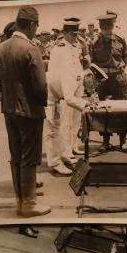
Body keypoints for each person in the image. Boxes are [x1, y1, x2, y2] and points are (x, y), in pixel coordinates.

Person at [0, 6, 50, 218]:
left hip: (8, 110)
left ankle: (20, 199)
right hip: (29, 112)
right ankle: (29, 204)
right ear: (32, 25)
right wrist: (43, 103)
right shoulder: (30, 48)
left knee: (16, 156)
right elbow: (40, 86)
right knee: (29, 157)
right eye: (36, 26)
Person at [45, 18, 88, 175]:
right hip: (55, 92)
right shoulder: (59, 49)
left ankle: (66, 152)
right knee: (54, 128)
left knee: (71, 122)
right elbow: (55, 74)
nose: (75, 37)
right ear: (64, 33)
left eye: (76, 33)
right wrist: (84, 104)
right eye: (71, 34)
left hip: (69, 88)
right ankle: (55, 162)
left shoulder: (76, 46)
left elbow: (76, 68)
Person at [91, 13, 127, 152]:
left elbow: (126, 56)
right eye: (103, 27)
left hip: (118, 78)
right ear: (100, 27)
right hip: (103, 79)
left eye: (109, 26)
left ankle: (123, 140)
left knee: (122, 110)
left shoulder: (120, 39)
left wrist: (120, 68)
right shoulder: (95, 42)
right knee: (103, 111)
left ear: (113, 26)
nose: (106, 30)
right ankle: (105, 141)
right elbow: (92, 61)